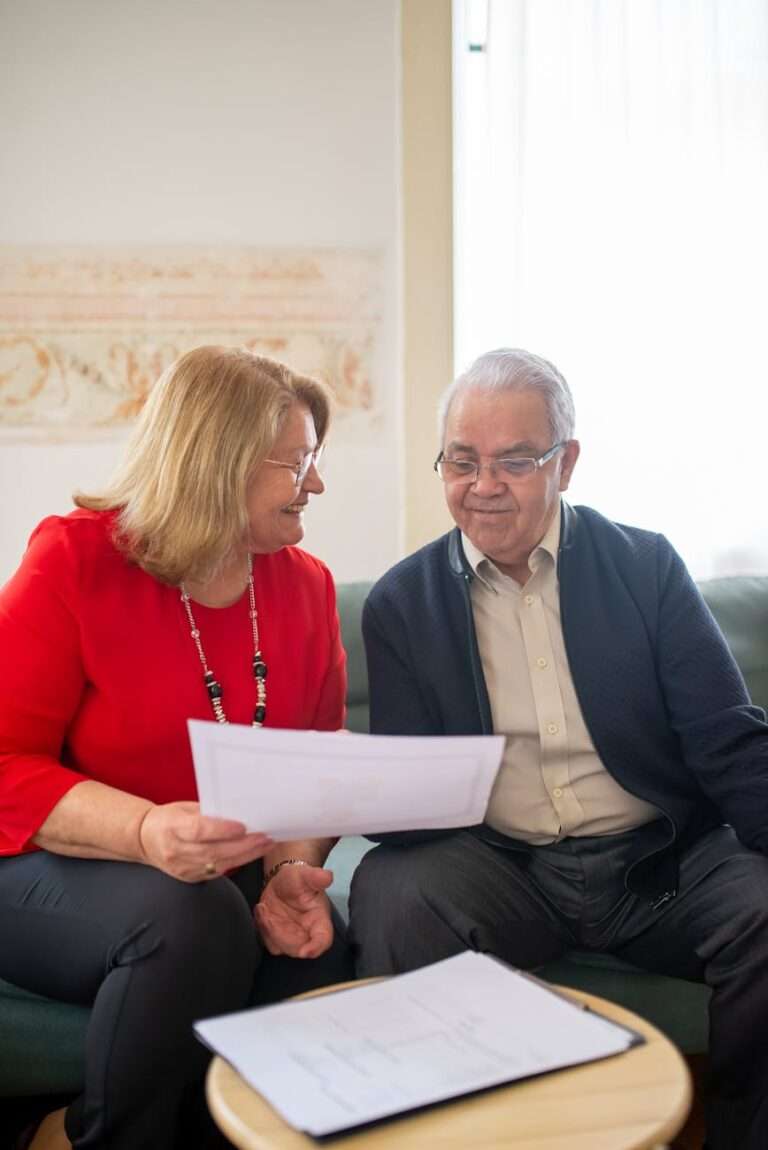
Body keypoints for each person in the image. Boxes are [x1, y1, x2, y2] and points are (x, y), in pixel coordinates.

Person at [348, 348, 768, 1150]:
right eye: (462, 461)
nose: (482, 486)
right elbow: (412, 797)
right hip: (505, 870)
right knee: (394, 891)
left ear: (566, 463)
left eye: (514, 461)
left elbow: (727, 741)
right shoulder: (403, 603)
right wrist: (363, 794)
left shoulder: (646, 568)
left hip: (659, 869)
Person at [0, 346, 353, 1150]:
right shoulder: (74, 560)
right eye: (299, 464)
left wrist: (290, 868)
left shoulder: (306, 587)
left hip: (210, 875)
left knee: (318, 943)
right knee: (190, 919)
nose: (319, 484)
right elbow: (4, 764)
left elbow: (320, 757)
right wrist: (145, 832)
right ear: (219, 463)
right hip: (43, 862)